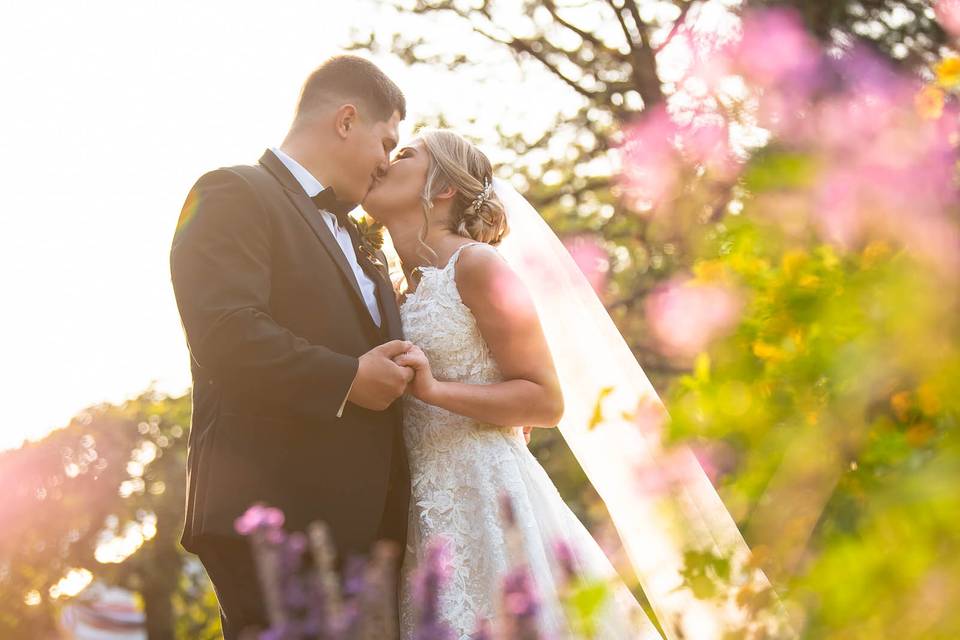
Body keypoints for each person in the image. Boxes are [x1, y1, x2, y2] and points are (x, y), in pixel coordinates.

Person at [363, 129, 664, 638]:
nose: (385, 162)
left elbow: (545, 399)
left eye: (405, 154)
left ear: (442, 189)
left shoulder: (478, 266)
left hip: (487, 498)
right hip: (423, 514)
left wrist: (436, 390)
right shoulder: (395, 286)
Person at [169, 55, 413, 639]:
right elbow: (224, 330)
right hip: (277, 519)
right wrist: (347, 379)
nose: (387, 163)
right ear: (346, 119)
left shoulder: (359, 238)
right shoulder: (234, 191)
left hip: (370, 537)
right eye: (386, 141)